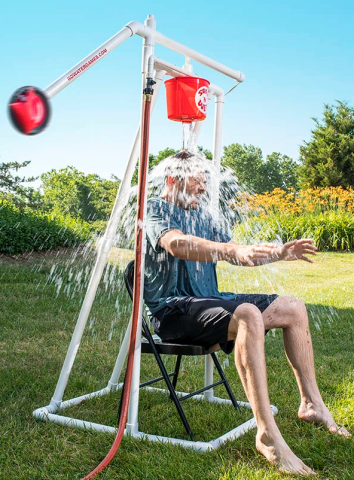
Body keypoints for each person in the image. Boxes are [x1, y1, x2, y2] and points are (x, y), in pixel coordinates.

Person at [143, 152, 351, 475]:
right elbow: (177, 244)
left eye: (204, 180)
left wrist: (278, 254)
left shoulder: (202, 215)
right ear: (173, 180)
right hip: (173, 311)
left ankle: (312, 404)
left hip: (207, 301)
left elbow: (239, 255)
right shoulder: (155, 209)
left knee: (293, 308)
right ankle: (267, 436)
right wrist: (230, 249)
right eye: (197, 179)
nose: (203, 187)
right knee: (249, 315)